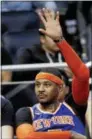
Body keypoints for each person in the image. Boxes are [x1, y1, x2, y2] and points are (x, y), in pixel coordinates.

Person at [15, 9, 89, 139]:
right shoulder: (26, 112)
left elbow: (82, 74)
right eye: (37, 85)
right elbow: (27, 136)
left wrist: (59, 40)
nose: (41, 89)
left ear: (61, 88)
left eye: (47, 85)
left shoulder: (74, 105)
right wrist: (69, 135)